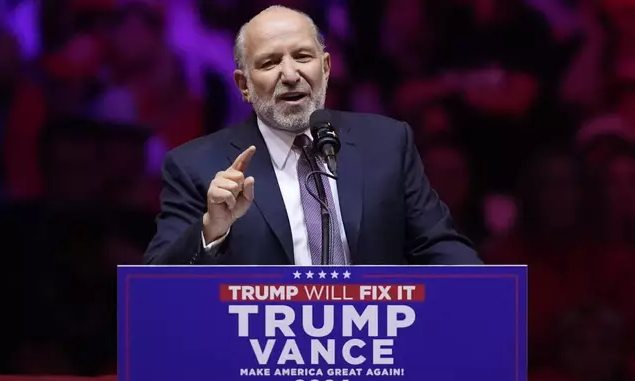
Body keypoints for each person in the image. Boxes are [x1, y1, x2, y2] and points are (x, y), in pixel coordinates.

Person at [143, 5, 482, 266]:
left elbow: (439, 246)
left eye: (302, 57)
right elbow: (156, 287)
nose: (290, 74)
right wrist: (211, 229)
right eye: (269, 63)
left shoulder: (387, 143)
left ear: (326, 68)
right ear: (244, 86)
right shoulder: (196, 165)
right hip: (257, 352)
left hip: (375, 346)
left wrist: (488, 295)